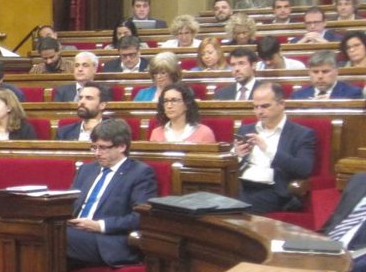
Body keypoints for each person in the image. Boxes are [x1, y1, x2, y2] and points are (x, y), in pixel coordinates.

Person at [66, 119, 159, 267]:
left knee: (57, 237)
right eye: (94, 147)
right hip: (75, 232)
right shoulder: (87, 170)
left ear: (122, 146)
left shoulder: (140, 173)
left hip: (107, 240)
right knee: (43, 232)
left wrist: (100, 225)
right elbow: (68, 203)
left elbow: (141, 217)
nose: (97, 153)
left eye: (103, 148)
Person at [233, 80, 316, 213]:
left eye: (265, 106)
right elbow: (234, 165)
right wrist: (237, 155)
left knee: (239, 207)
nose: (259, 111)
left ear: (282, 104)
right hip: (240, 185)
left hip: (272, 190)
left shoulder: (301, 134)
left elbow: (304, 169)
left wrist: (267, 149)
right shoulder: (245, 130)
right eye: (255, 107)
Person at [149, 82, 215, 143]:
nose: (169, 106)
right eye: (166, 101)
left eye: (174, 100)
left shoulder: (204, 133)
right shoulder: (156, 133)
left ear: (186, 104)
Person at [290, 50, 364, 100]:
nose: (320, 76)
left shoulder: (352, 93)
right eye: (315, 72)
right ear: (309, 73)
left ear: (336, 72)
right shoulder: (298, 96)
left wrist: (332, 105)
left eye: (325, 72)